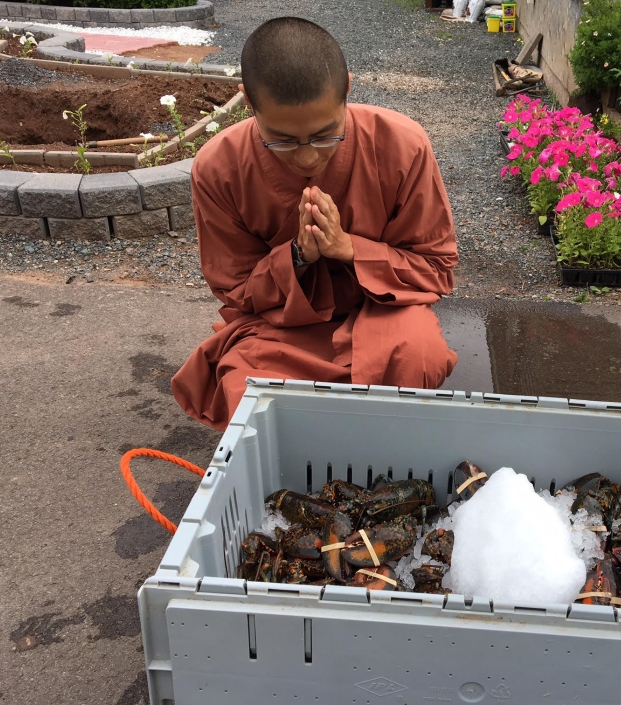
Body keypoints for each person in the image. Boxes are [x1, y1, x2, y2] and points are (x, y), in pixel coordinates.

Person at [171, 17, 459, 431]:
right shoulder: (219, 167)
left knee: (418, 357)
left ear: (347, 91)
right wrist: (297, 256)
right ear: (248, 103)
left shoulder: (402, 145)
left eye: (326, 135)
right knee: (248, 393)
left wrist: (349, 248)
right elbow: (234, 289)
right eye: (283, 140)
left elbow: (436, 269)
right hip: (282, 326)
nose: (307, 158)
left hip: (384, 313)